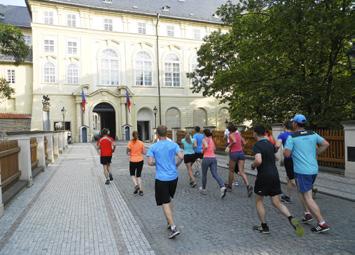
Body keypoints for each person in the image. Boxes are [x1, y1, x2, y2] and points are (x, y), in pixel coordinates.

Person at [251, 125, 304, 236]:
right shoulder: (270, 144)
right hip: (275, 175)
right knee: (277, 202)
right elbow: (276, 158)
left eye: (253, 132)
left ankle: (264, 226)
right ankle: (292, 219)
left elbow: (258, 160)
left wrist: (253, 165)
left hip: (264, 176)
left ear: (255, 133)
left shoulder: (257, 145)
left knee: (259, 201)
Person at [284, 114, 330, 233]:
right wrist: (316, 153)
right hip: (313, 169)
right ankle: (307, 214)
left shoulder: (292, 137)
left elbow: (287, 154)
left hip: (301, 171)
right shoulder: (313, 134)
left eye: (293, 122)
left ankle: (322, 223)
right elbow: (326, 144)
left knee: (308, 197)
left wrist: (289, 150)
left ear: (295, 124)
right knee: (302, 192)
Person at [147, 125, 184, 239]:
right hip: (173, 177)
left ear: (157, 135)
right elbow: (181, 156)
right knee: (168, 199)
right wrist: (176, 165)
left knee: (165, 202)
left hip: (162, 178)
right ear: (167, 134)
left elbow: (149, 162)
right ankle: (169, 221)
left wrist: (156, 163)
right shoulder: (173, 144)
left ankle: (173, 227)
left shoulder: (153, 147)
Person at [225, 123, 253, 196]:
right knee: (242, 171)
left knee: (231, 171)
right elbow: (244, 143)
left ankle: (230, 187)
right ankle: (248, 186)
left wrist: (229, 146)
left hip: (234, 153)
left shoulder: (231, 135)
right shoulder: (239, 134)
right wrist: (240, 147)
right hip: (241, 153)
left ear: (230, 130)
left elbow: (234, 141)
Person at [199, 128, 227, 198]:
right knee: (215, 174)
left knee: (204, 175)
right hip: (213, 158)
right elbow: (214, 148)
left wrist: (202, 151)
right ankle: (222, 186)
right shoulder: (211, 139)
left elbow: (205, 146)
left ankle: (203, 189)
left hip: (206, 158)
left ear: (204, 134)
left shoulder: (204, 139)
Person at [276, 121, 295, 203]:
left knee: (291, 179)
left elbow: (277, 145)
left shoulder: (282, 135)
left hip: (289, 158)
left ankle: (290, 197)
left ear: (284, 127)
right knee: (289, 178)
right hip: (298, 158)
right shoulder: (295, 134)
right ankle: (288, 196)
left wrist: (274, 150)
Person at [127, 131, 146, 196]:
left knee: (132, 174)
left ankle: (136, 185)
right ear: (138, 135)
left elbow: (128, 153)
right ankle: (141, 190)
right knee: (138, 175)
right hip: (140, 160)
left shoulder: (130, 143)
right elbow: (144, 152)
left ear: (132, 136)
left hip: (132, 160)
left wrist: (131, 153)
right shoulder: (141, 143)